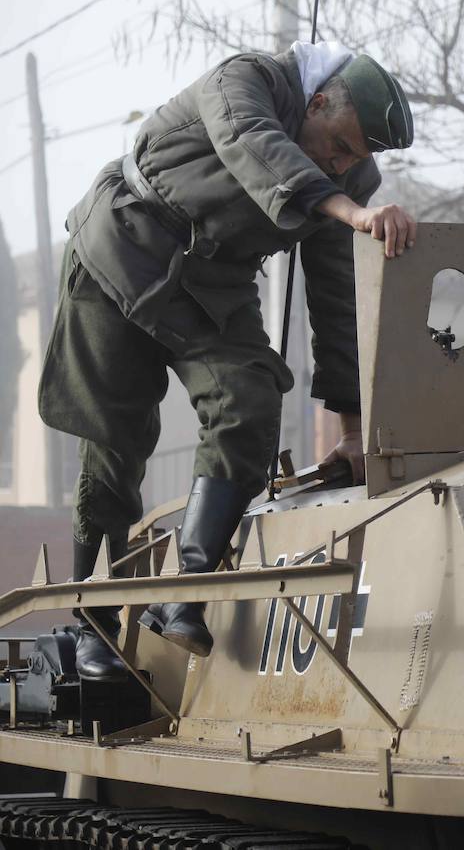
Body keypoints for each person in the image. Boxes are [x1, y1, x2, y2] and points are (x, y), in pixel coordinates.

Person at [38, 41, 418, 680]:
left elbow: (334, 299)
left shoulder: (352, 180)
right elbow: (251, 140)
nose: (344, 163)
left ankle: (187, 592)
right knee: (116, 441)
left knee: (249, 400)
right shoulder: (248, 80)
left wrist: (354, 432)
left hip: (214, 286)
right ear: (318, 101)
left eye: (358, 158)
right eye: (342, 145)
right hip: (124, 248)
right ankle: (94, 622)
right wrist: (348, 209)